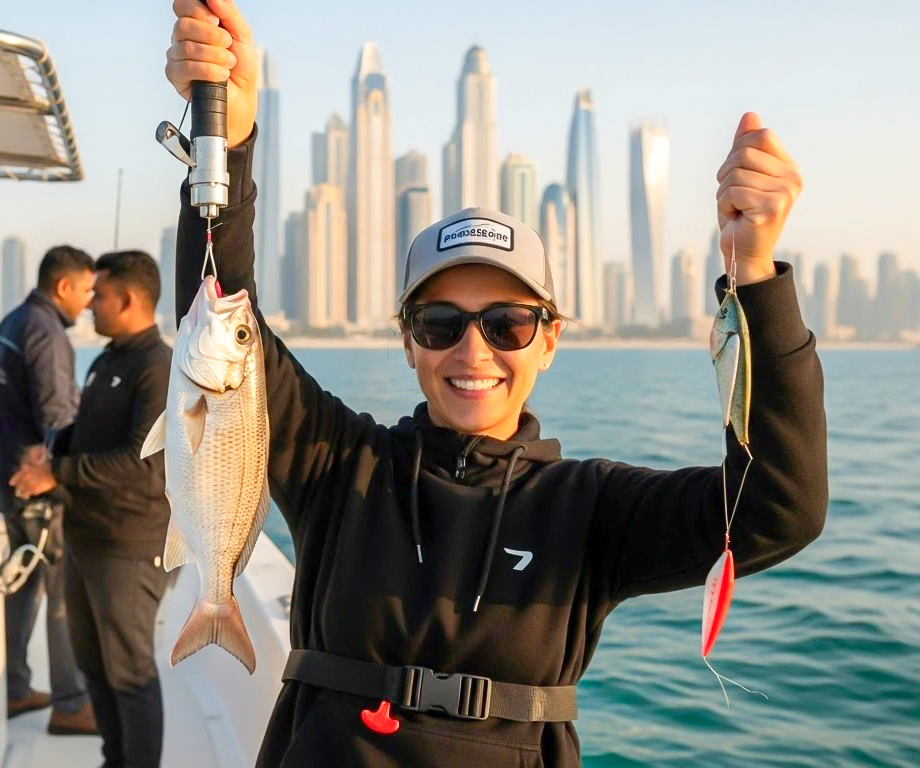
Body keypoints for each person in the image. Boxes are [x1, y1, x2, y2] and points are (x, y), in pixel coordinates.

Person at [165, 2, 826, 766]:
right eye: (441, 322)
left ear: (549, 339)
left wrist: (756, 279)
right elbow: (217, 318)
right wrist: (231, 137)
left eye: (507, 323)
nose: (471, 350)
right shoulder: (340, 463)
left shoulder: (592, 510)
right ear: (408, 340)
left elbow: (779, 510)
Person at [10, 250, 173, 768]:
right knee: (94, 668)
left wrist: (56, 474)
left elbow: (143, 464)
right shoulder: (107, 360)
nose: (89, 306)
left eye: (98, 296)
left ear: (127, 300)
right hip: (84, 537)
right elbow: (87, 434)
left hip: (128, 545)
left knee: (130, 674)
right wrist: (52, 451)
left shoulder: (159, 367)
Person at [0, 245, 95, 733]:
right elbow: (58, 419)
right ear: (64, 287)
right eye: (87, 291)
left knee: (26, 585)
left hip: (8, 476)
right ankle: (71, 704)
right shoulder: (48, 335)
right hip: (38, 486)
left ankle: (13, 689)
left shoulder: (14, 322)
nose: (89, 303)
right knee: (62, 590)